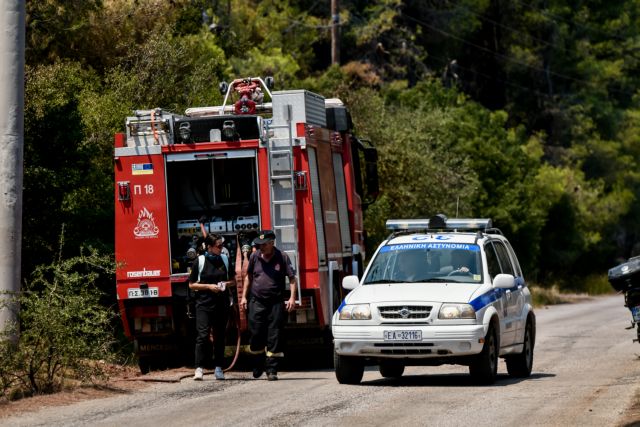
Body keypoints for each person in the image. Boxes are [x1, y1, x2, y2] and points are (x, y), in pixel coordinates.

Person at [240, 230, 297, 381]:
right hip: (256, 301)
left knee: (274, 336)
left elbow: (292, 279)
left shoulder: (282, 257)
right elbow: (248, 277)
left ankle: (272, 370)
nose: (260, 248)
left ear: (272, 243)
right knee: (256, 334)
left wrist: (292, 298)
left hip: (275, 303)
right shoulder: (254, 256)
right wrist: (244, 297)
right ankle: (258, 364)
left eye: (263, 245)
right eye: (258, 245)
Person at [188, 234, 235, 381]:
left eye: (222, 245)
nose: (222, 248)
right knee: (202, 335)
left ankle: (219, 368)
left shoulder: (225, 259)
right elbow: (191, 284)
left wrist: (225, 284)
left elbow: (233, 280)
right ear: (209, 247)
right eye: (219, 246)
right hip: (204, 304)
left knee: (220, 336)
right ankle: (199, 368)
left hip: (221, 304)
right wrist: (209, 286)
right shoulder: (200, 261)